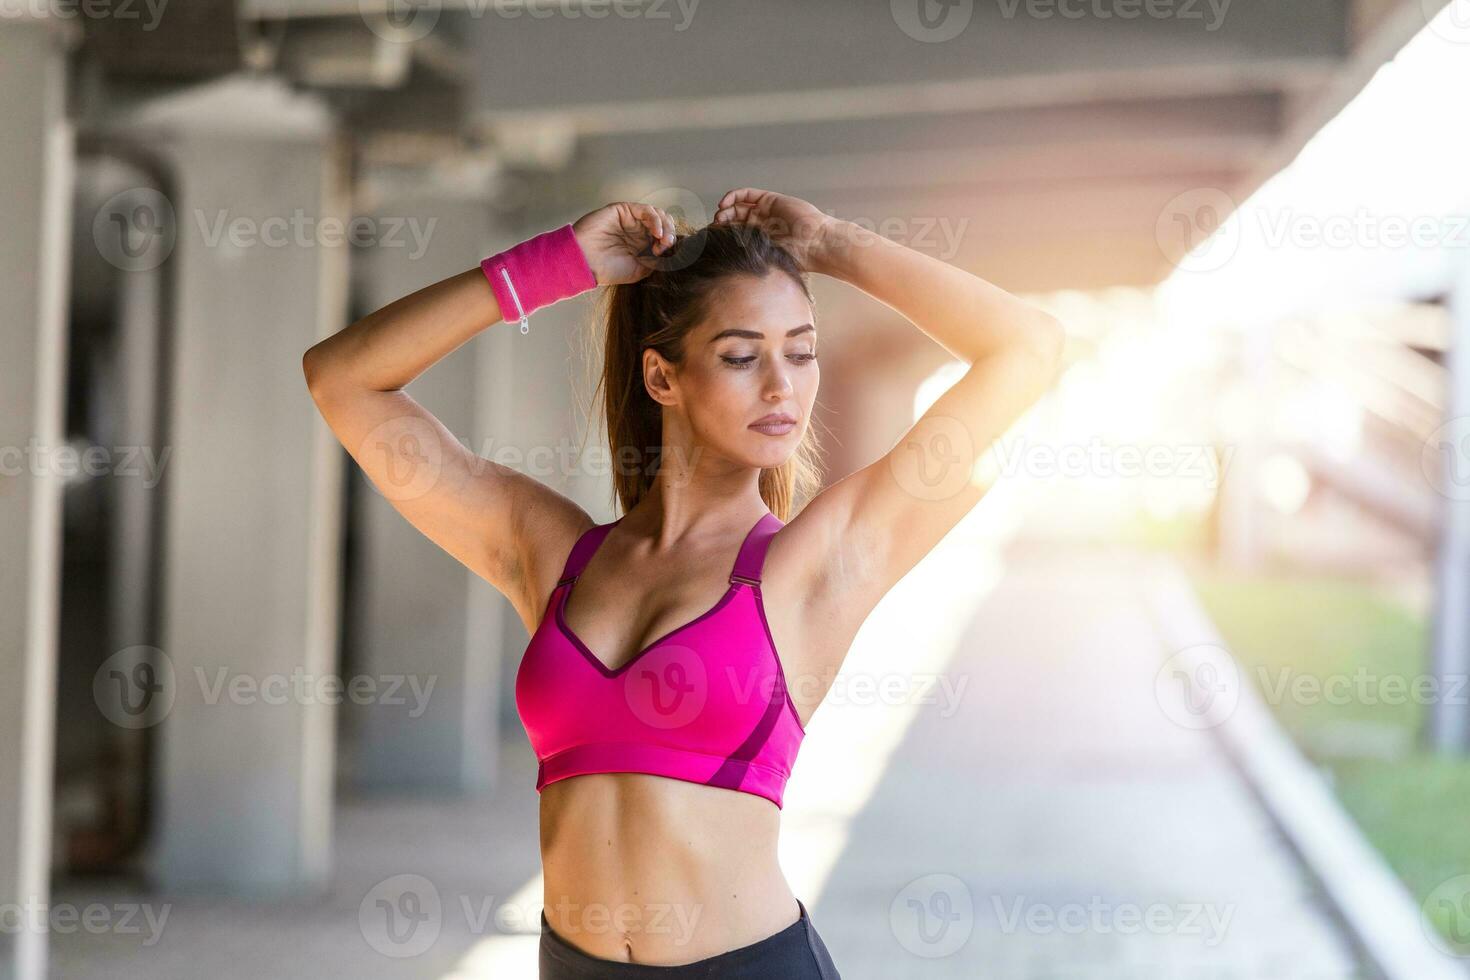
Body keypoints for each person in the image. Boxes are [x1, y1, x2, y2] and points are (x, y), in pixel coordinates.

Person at [302, 188, 1064, 977]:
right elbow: (342, 379)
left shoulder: (816, 562)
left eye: (800, 352)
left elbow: (1027, 346)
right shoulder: (553, 553)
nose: (781, 387)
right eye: (741, 355)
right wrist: (553, 266)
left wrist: (831, 243)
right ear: (662, 378)